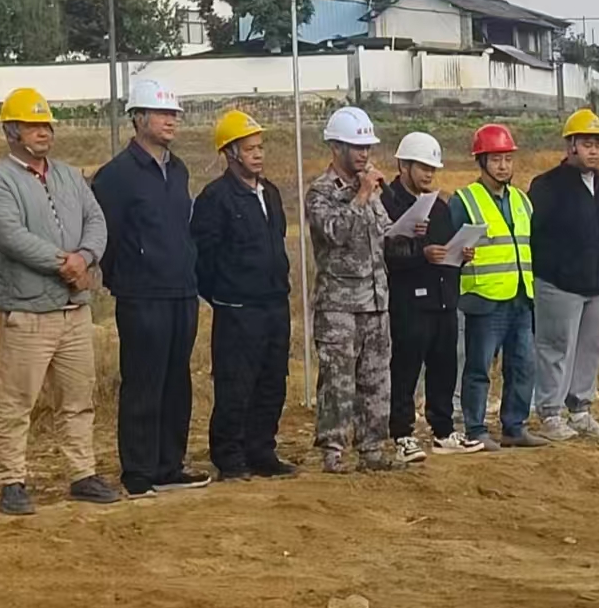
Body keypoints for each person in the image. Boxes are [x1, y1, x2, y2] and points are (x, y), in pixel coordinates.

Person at [0, 87, 121, 516]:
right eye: (33, 125)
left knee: (78, 398)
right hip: (29, 310)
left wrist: (87, 257)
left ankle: (82, 474)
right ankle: (12, 482)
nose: (43, 132)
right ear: (11, 131)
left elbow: (96, 219)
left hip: (74, 311)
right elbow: (9, 236)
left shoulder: (67, 175)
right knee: (16, 401)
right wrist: (65, 263)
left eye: (46, 124)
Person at [91, 77, 211, 498]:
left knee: (176, 380)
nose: (170, 121)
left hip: (181, 290)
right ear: (138, 118)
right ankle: (139, 470)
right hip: (141, 294)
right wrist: (123, 278)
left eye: (174, 113)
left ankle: (169, 464)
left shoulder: (177, 170)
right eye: (162, 113)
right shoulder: (116, 176)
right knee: (143, 380)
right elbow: (106, 235)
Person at [191, 109, 298, 481]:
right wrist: (224, 296)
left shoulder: (270, 192)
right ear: (230, 153)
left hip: (274, 304)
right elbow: (202, 257)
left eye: (260, 147)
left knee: (272, 380)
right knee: (236, 383)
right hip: (238, 309)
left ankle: (261, 450)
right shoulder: (215, 198)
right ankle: (229, 456)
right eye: (250, 148)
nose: (258, 154)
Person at [306, 106, 396, 473]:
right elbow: (335, 233)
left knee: (376, 380)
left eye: (367, 147)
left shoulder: (371, 189)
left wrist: (410, 228)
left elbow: (384, 230)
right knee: (338, 384)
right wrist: (359, 196)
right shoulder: (321, 192)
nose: (364, 154)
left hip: (376, 300)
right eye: (356, 147)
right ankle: (333, 452)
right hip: (339, 305)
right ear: (336, 147)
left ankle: (372, 448)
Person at [381, 131, 474, 460]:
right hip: (408, 301)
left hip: (443, 299)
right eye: (422, 167)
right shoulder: (387, 202)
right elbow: (384, 254)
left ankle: (443, 429)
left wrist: (461, 255)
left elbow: (445, 247)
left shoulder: (439, 206)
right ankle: (402, 433)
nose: (428, 174)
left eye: (432, 169)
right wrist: (422, 255)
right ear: (403, 165)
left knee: (444, 366)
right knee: (405, 368)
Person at [449, 123, 539, 450]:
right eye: (496, 159)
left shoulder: (522, 201)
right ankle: (476, 429)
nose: (503, 166)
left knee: (523, 365)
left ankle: (514, 427)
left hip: (520, 297)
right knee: (479, 368)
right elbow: (449, 248)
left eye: (508, 159)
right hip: (483, 300)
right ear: (481, 161)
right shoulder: (464, 201)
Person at [529, 109, 599, 442]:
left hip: (594, 283)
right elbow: (535, 234)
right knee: (554, 347)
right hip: (558, 283)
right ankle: (550, 413)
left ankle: (580, 410)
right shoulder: (547, 185)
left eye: (598, 144)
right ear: (571, 146)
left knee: (590, 349)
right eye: (587, 144)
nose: (594, 150)